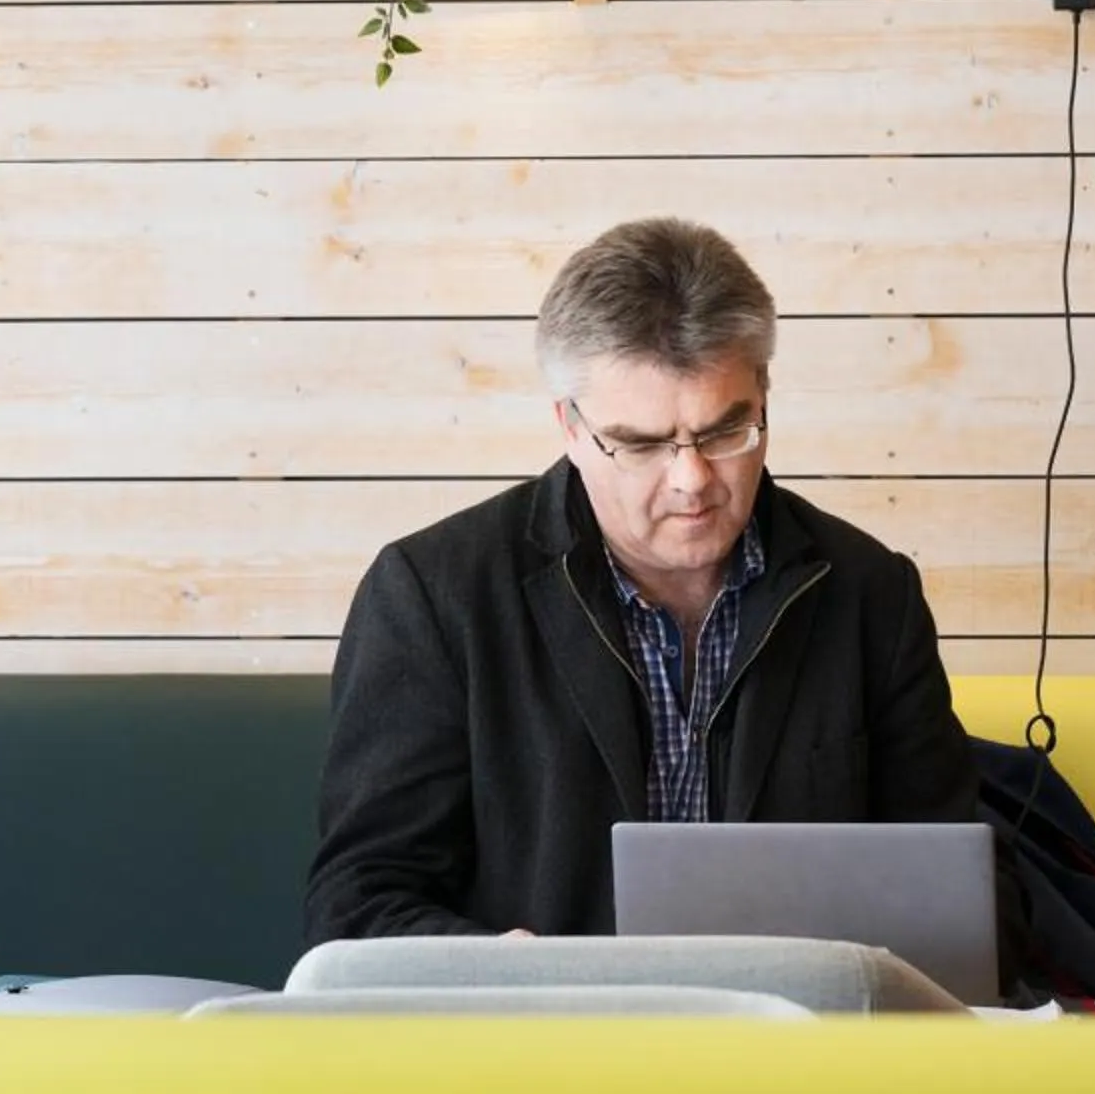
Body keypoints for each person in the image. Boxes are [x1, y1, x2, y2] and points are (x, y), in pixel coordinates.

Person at [305, 216, 1019, 983]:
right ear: (569, 428)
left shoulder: (871, 594)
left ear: (763, 399)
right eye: (642, 444)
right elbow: (357, 905)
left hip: (801, 1038)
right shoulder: (434, 596)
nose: (691, 481)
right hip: (540, 1035)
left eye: (725, 432)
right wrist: (511, 973)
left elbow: (968, 898)